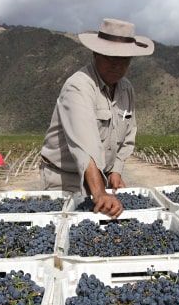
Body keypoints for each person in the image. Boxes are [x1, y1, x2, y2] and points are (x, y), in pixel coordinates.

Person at [40, 18, 154, 217]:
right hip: (66, 181)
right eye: (110, 58)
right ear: (95, 54)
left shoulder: (126, 89)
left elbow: (128, 135)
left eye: (123, 60)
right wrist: (99, 192)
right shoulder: (78, 86)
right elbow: (85, 144)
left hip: (100, 180)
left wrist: (115, 171)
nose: (116, 65)